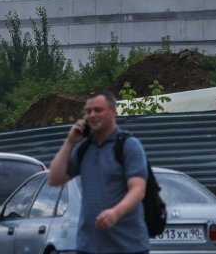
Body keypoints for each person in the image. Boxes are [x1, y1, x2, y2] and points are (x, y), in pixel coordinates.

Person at [49, 90, 149, 254]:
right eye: (88, 111)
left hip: (128, 247)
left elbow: (138, 190)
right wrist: (69, 142)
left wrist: (115, 213)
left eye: (98, 110)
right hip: (89, 247)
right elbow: (54, 179)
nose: (92, 115)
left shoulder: (128, 146)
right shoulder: (84, 148)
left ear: (113, 111)